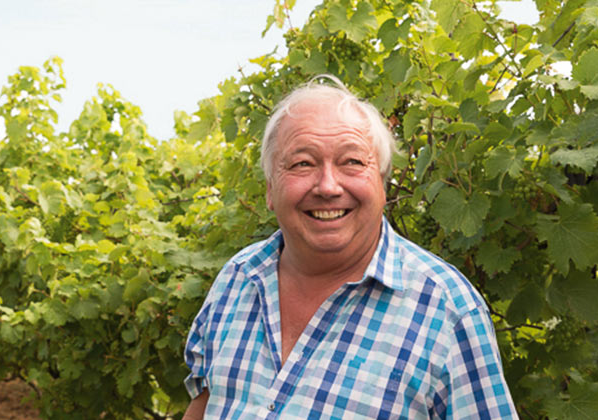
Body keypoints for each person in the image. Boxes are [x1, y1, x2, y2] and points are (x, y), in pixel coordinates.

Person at [182, 75, 517, 419]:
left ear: (383, 184)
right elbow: (206, 403)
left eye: (352, 162)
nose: (328, 186)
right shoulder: (237, 279)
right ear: (270, 189)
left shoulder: (449, 312)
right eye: (302, 164)